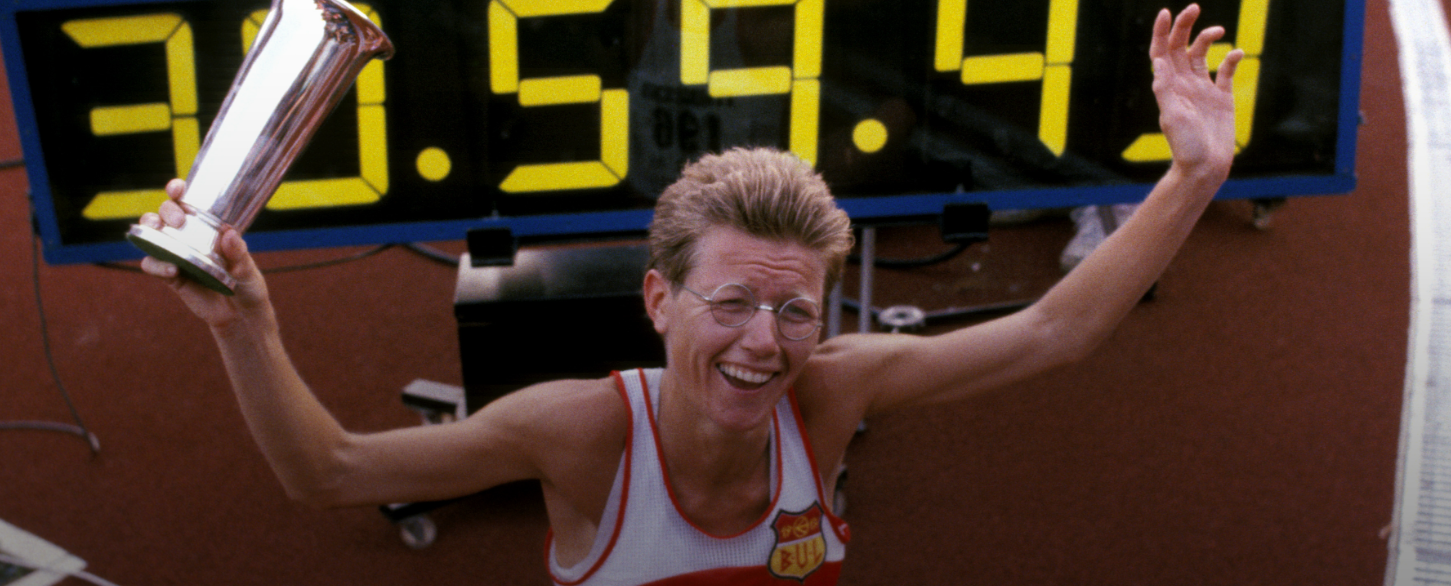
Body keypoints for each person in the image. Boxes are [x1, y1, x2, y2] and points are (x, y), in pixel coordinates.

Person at [138, 5, 1242, 584]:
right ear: (658, 300)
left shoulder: (836, 390)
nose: (766, 344)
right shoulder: (576, 433)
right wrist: (248, 326)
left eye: (797, 309)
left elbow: (1055, 328)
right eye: (730, 305)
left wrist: (1193, 174)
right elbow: (330, 472)